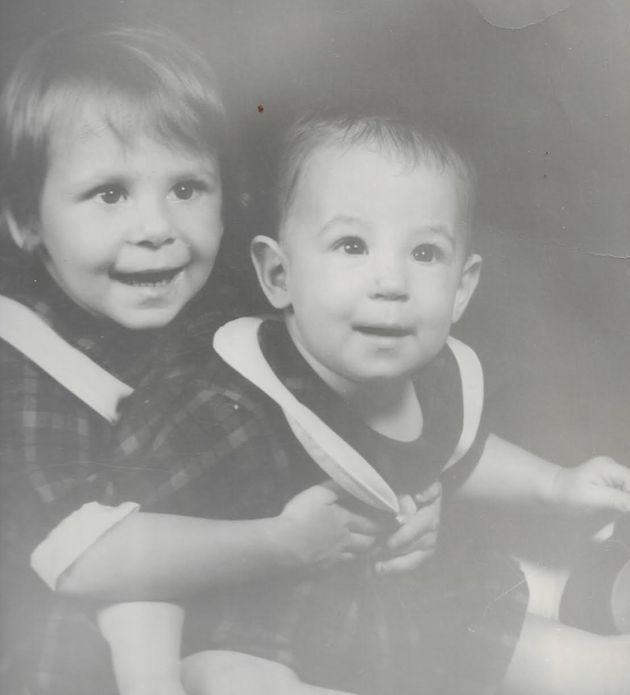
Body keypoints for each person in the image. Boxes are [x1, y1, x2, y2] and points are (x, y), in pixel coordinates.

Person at [97, 110, 630, 695]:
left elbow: (458, 449)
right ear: (280, 274)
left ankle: (582, 611)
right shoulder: (230, 399)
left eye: (425, 254)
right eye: (351, 245)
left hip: (399, 612)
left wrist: (554, 484)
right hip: (253, 629)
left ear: (462, 289)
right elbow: (138, 547)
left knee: (495, 618)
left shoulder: (431, 376)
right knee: (231, 676)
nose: (391, 281)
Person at [0, 29, 416, 695]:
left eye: (188, 188)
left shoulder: (229, 308)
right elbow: (78, 558)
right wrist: (285, 543)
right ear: (26, 220)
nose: (156, 226)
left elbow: (346, 423)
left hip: (256, 621)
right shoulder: (22, 355)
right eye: (110, 193)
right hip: (91, 632)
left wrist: (407, 505)